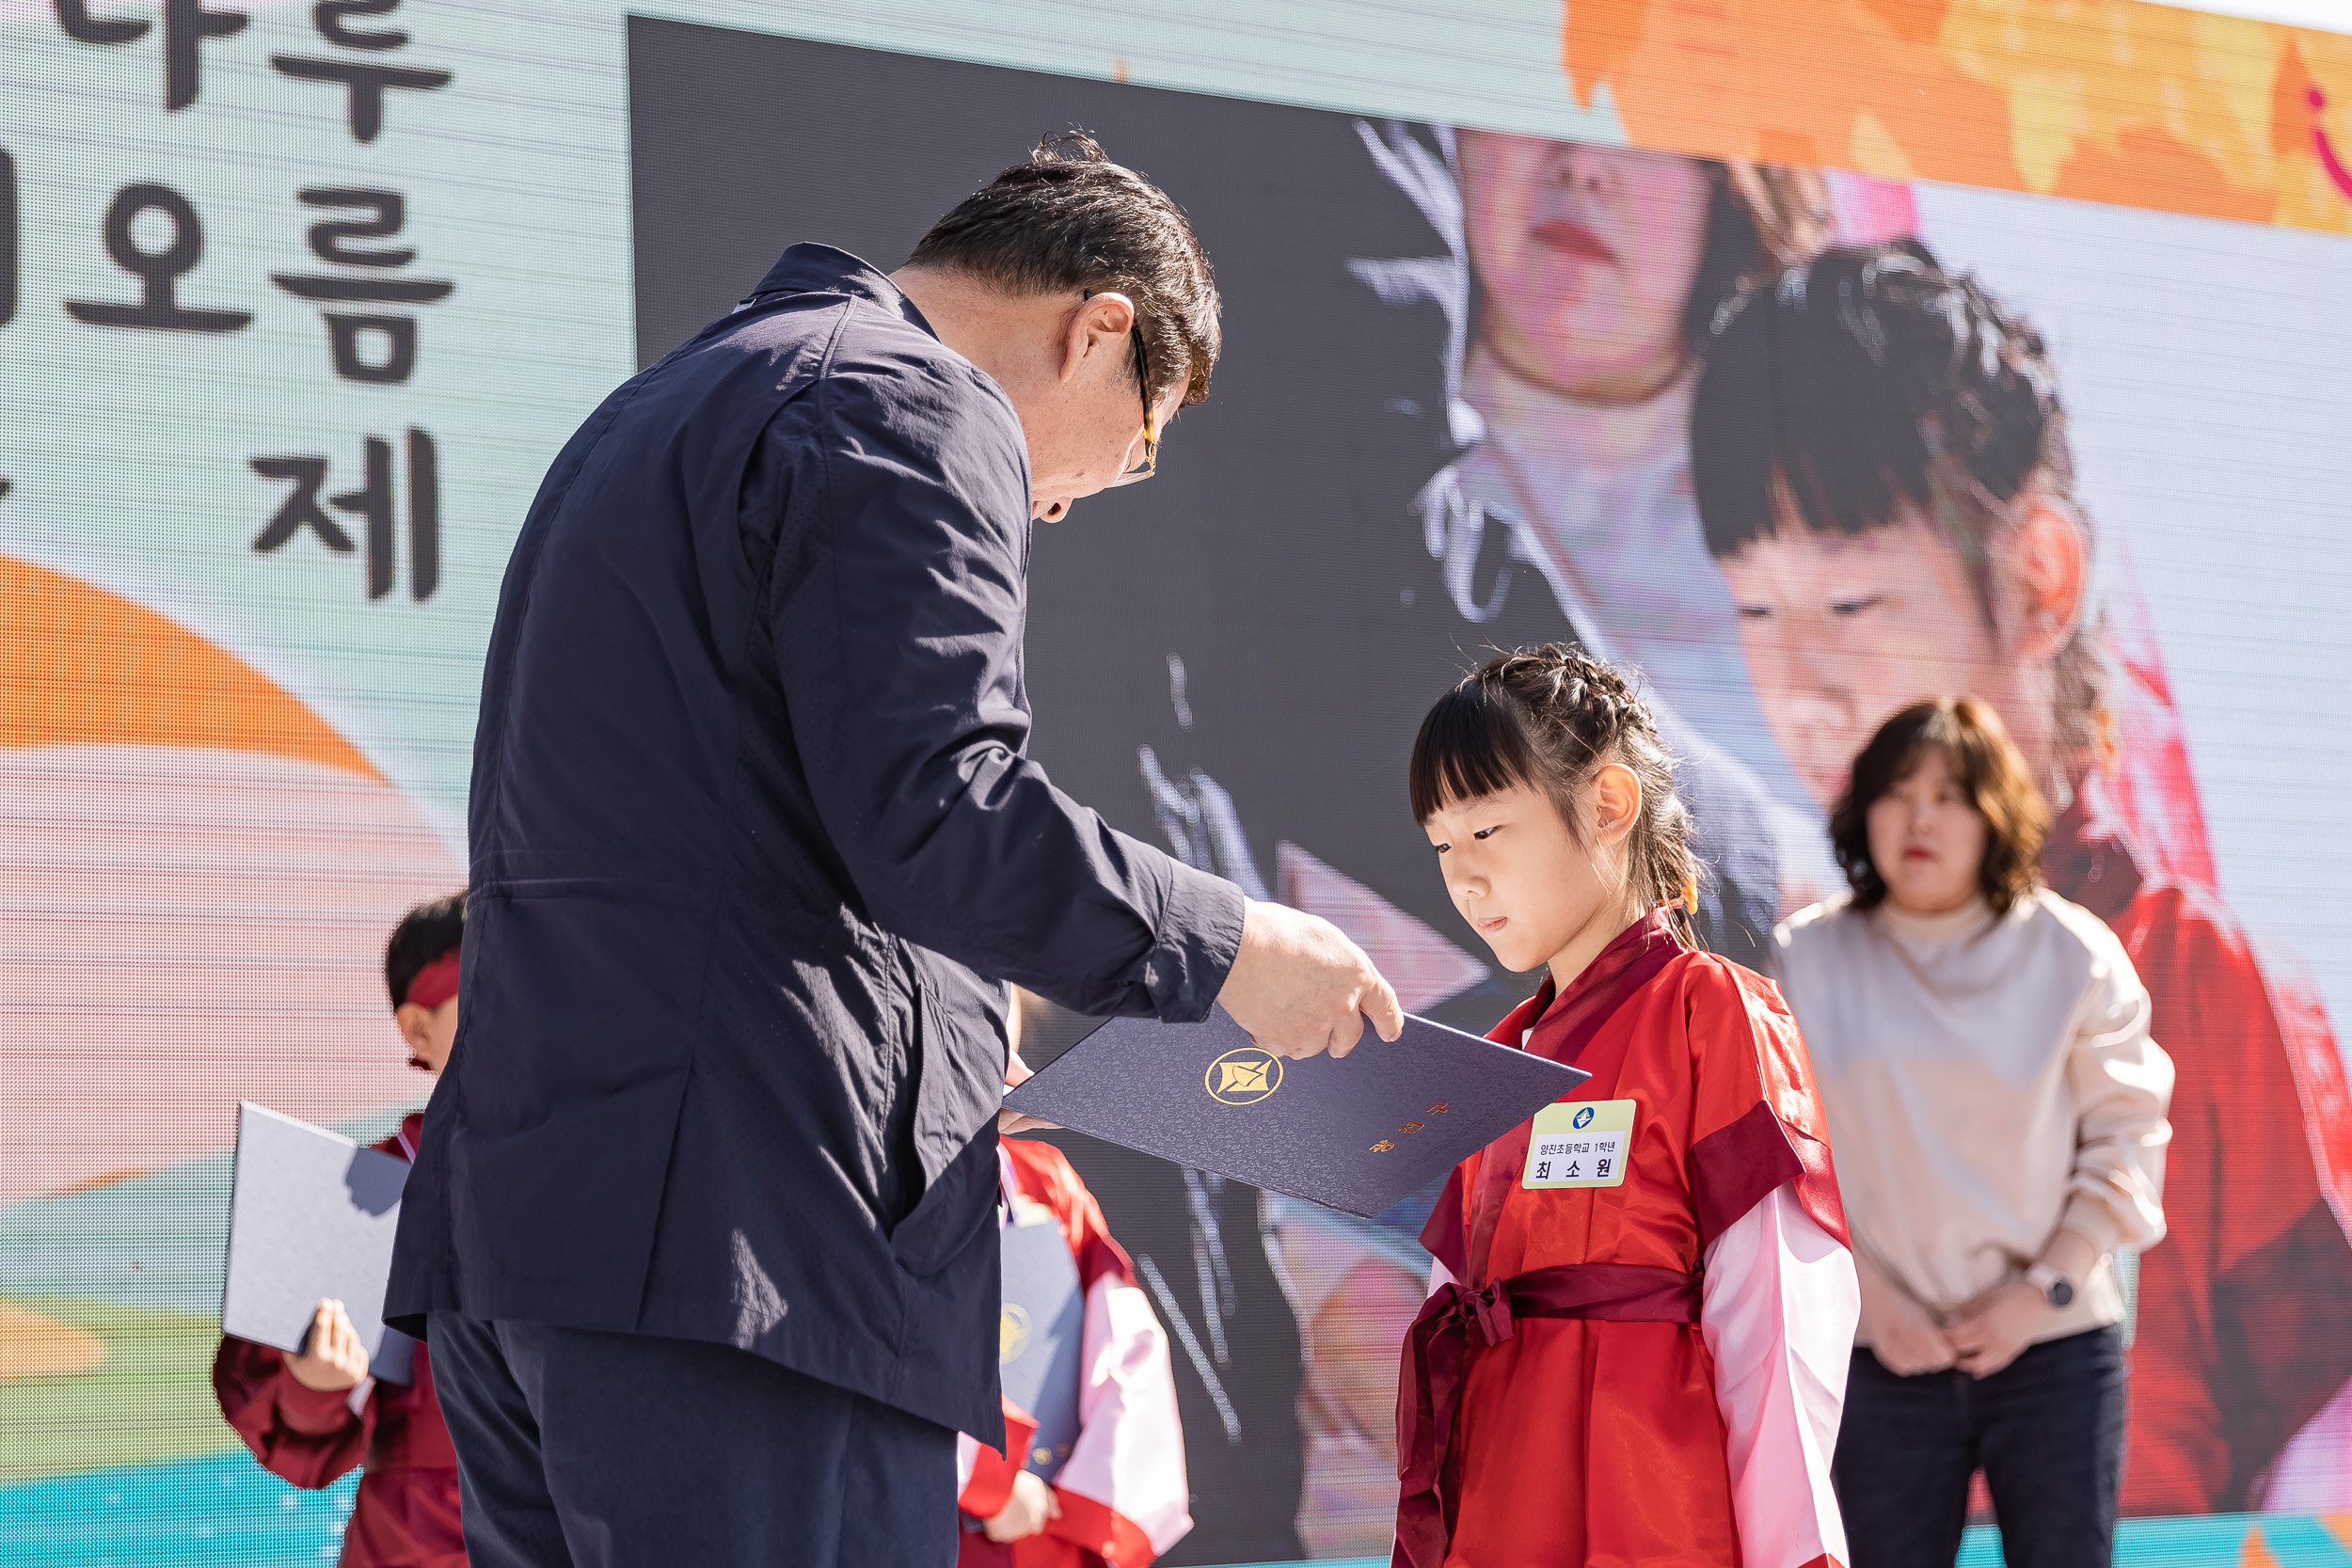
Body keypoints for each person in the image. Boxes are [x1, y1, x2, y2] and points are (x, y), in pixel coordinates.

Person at [383, 132, 1403, 1568]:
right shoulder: (916, 401)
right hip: (749, 1262)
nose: (1064, 502)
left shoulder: (655, 407)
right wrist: (1233, 942)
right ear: (1097, 326)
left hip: (536, 1246)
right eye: (1129, 449)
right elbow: (943, 812)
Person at [1692, 241, 2352, 1514]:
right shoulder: (1769, 1005)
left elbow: (2325, 1428)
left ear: (2040, 577)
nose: (1800, 693)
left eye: (1852, 602)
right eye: (1755, 613)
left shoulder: (2197, 985)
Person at [1392, 645, 1856, 1568]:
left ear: (1607, 804)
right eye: (1441, 844)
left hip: (1647, 1514)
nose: (1462, 875)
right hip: (1496, 1512)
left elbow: (1778, 1319)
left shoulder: (1712, 1009)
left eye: (1486, 830)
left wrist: (1793, 1556)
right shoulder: (1493, 1061)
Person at [1765, 699, 2172, 1564]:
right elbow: (1779, 1156)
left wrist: (2042, 1292)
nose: (1919, 818)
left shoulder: (2075, 952)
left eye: (1950, 795)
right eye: (1896, 792)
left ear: (1997, 817)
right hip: (1879, 1349)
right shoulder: (1803, 956)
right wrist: (1871, 1299)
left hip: (2051, 1344)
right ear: (1860, 811)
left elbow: (2128, 1141)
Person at [213, 894, 469, 1568]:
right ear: (417, 1028)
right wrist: (314, 1384)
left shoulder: (607, 1182)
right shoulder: (357, 1191)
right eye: (485, 997)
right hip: (411, 1546)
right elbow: (291, 1439)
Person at [957, 996, 1190, 1568]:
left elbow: (1127, 1345)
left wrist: (1081, 1506)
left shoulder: (1045, 1178)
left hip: (1049, 1519)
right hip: (920, 1509)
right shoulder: (867, 1179)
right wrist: (988, 1480)